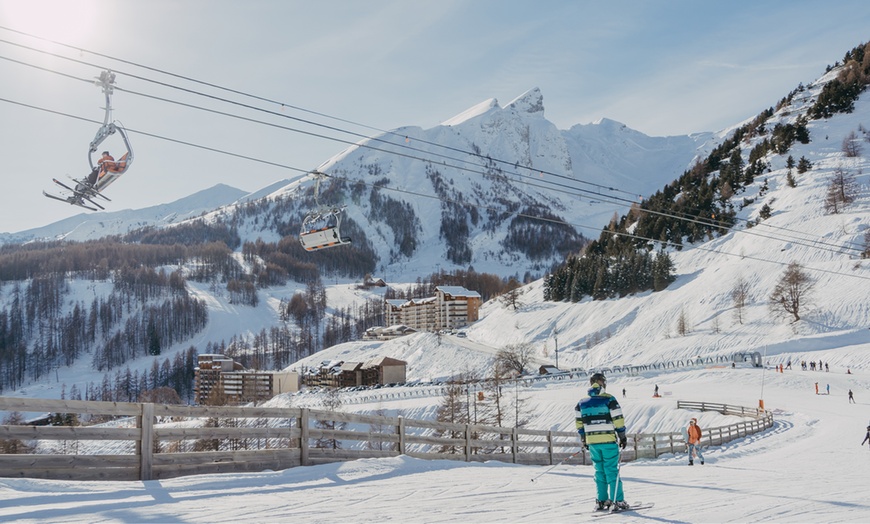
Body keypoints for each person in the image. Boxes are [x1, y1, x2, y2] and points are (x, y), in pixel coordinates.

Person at [575, 373, 629, 512]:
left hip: (593, 441)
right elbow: (618, 418)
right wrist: (622, 436)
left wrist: (584, 438)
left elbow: (579, 424)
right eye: (603, 381)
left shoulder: (582, 403)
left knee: (599, 471)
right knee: (611, 470)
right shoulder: (609, 399)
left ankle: (601, 500)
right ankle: (618, 500)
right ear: (600, 382)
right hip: (607, 440)